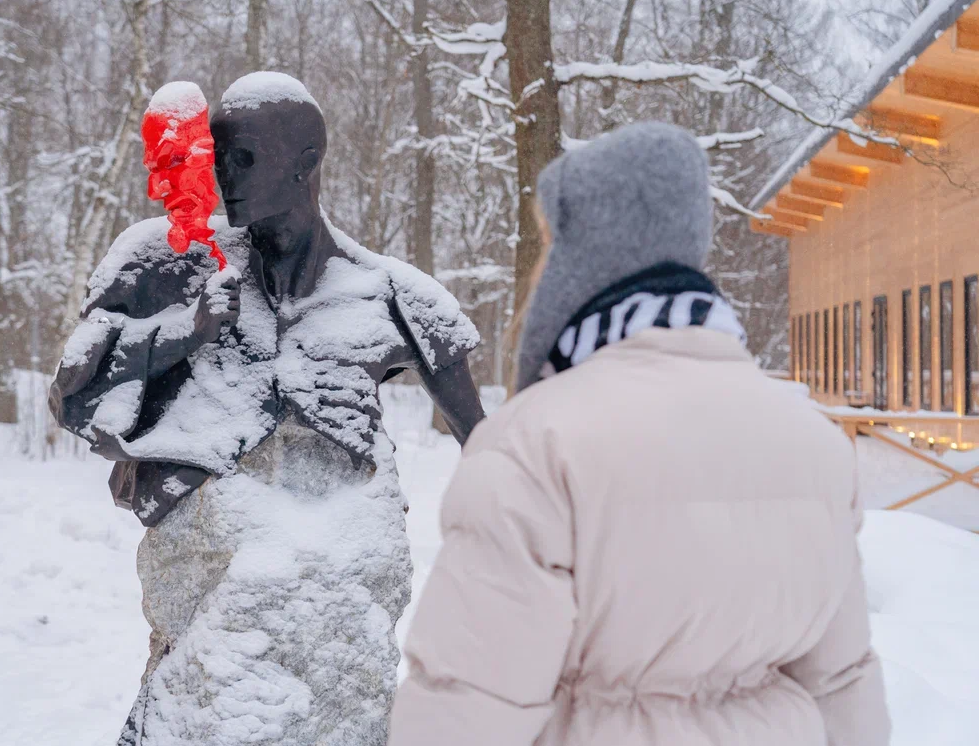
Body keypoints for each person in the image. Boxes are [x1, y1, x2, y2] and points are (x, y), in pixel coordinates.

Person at [388, 122, 890, 746]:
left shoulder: (536, 447)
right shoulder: (814, 444)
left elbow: (464, 710)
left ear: (587, 256)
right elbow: (843, 686)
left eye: (554, 242)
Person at [48, 71, 485, 745]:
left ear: (307, 163)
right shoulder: (173, 266)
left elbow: (490, 453)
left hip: (339, 631)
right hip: (206, 628)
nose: (225, 176)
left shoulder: (396, 300)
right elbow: (75, 397)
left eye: (244, 157)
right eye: (218, 159)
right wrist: (182, 332)